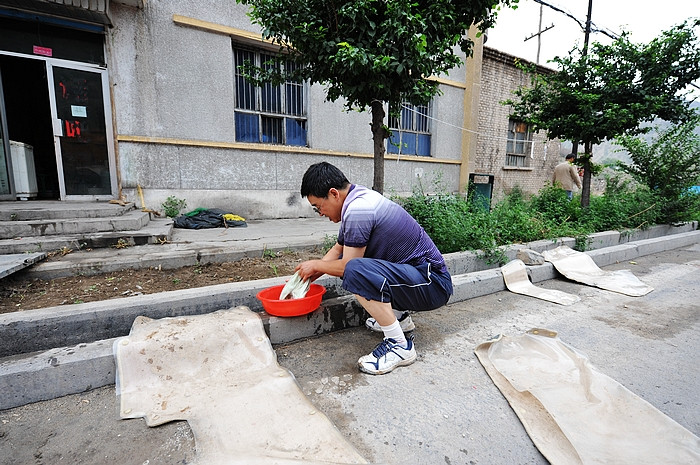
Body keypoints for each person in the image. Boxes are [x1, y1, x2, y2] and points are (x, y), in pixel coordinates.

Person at [295, 162, 453, 375]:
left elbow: (347, 266)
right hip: (421, 278)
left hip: (432, 284)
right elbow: (339, 249)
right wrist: (308, 276)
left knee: (356, 271)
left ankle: (399, 345)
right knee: (358, 266)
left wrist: (316, 264)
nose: (320, 213)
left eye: (318, 207)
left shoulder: (359, 209)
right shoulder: (357, 197)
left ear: (333, 194)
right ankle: (399, 318)